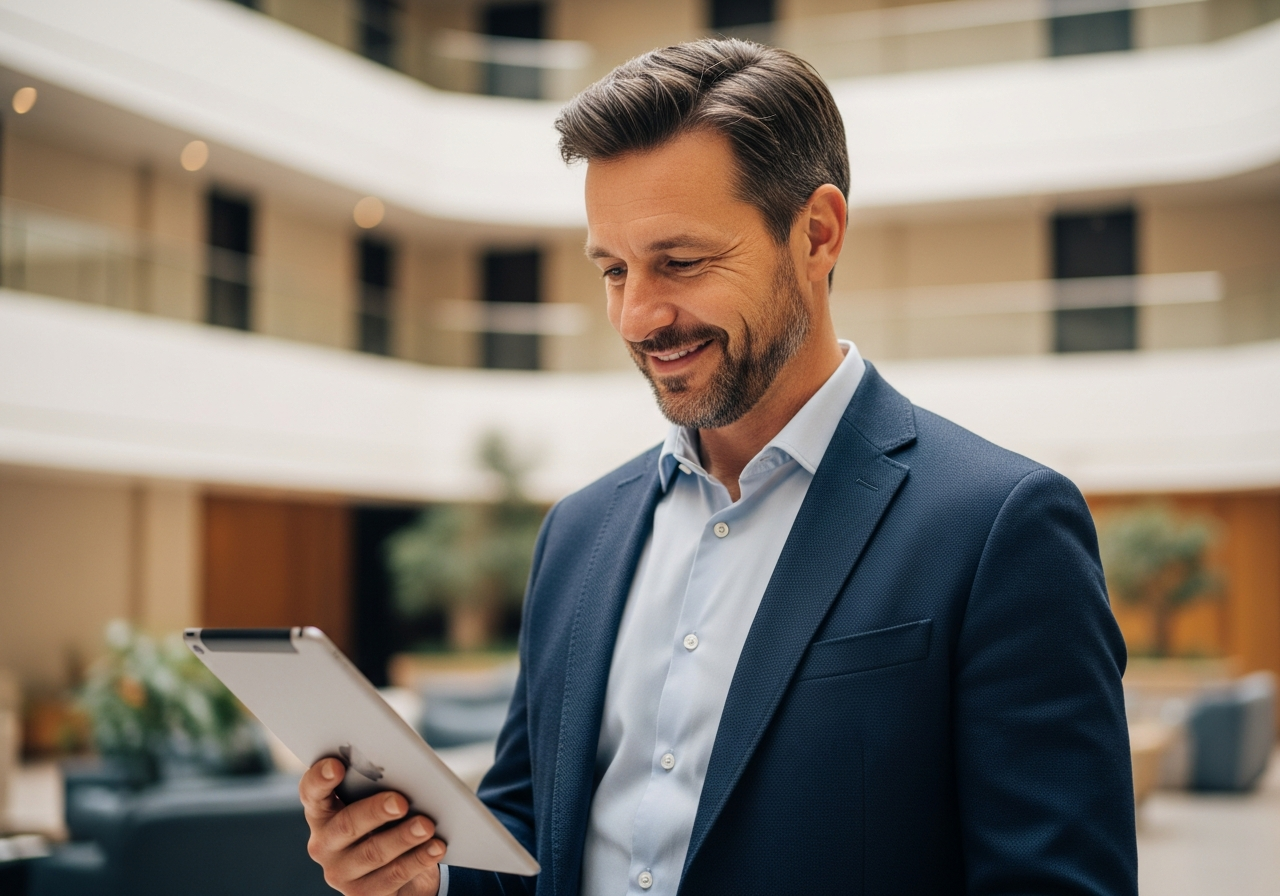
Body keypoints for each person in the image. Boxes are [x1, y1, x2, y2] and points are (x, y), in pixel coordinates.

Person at [300, 39, 1137, 896]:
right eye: (614, 270)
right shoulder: (578, 533)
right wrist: (419, 878)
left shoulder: (1001, 525)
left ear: (817, 233)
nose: (637, 316)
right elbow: (531, 841)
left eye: (682, 262)